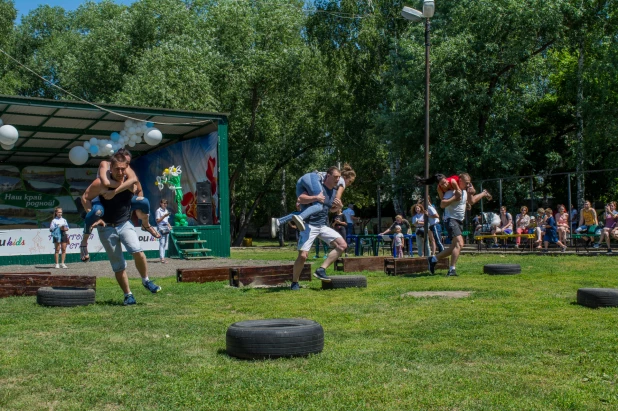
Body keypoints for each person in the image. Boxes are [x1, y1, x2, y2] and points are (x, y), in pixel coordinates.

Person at [82, 152, 161, 305]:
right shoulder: (100, 183)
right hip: (107, 228)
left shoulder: (130, 183)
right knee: (118, 265)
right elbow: (85, 197)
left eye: (123, 169)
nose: (120, 172)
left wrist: (140, 214)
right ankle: (128, 295)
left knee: (137, 251)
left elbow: (139, 193)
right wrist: (92, 215)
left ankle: (146, 281)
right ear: (110, 168)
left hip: (124, 223)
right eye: (117, 169)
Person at [79, 148, 159, 262]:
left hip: (120, 199)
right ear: (115, 162)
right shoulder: (105, 165)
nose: (124, 170)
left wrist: (136, 207)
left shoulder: (126, 168)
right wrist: (126, 185)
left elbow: (137, 185)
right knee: (97, 212)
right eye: (120, 166)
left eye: (127, 165)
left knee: (144, 201)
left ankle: (146, 225)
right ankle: (84, 242)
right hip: (101, 196)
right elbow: (106, 183)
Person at [290, 167, 346, 290]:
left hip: (322, 225)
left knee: (342, 245)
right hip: (309, 225)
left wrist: (338, 207)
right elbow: (300, 199)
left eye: (339, 177)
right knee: (303, 256)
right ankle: (294, 282)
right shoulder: (316, 187)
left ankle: (321, 270)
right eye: (336, 177)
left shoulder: (333, 192)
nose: (338, 179)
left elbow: (330, 209)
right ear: (328, 176)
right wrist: (315, 198)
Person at [427, 175, 491, 277]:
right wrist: (455, 198)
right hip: (450, 220)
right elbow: (442, 204)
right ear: (459, 181)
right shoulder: (450, 192)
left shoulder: (464, 191)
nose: (468, 184)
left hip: (459, 221)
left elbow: (472, 201)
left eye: (469, 182)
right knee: (459, 243)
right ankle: (452, 269)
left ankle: (433, 259)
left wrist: (482, 194)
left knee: (454, 246)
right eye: (466, 182)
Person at [271, 164, 356, 236]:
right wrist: (338, 205)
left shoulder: (335, 180)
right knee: (319, 205)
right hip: (312, 177)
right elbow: (337, 198)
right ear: (345, 177)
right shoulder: (341, 181)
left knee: (306, 212)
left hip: (302, 181)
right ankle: (300, 218)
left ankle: (278, 221)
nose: (349, 184)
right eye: (350, 181)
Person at [156, 199, 172, 264]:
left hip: (166, 227)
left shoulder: (166, 211)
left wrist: (169, 225)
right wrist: (164, 216)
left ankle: (163, 257)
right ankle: (162, 258)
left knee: (165, 243)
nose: (165, 204)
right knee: (162, 243)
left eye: (166, 203)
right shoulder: (158, 211)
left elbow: (166, 220)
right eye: (164, 203)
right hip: (161, 227)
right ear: (160, 203)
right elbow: (157, 221)